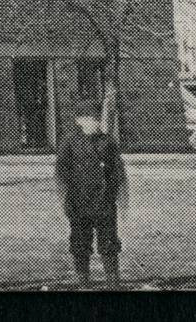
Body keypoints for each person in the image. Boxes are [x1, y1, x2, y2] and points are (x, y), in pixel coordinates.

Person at [54, 99, 128, 284]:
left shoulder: (108, 142)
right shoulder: (69, 142)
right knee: (80, 242)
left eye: (97, 119)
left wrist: (121, 199)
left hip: (104, 201)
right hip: (78, 201)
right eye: (91, 119)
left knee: (109, 242)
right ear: (80, 120)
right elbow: (61, 173)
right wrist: (64, 199)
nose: (96, 123)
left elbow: (118, 172)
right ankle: (83, 279)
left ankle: (112, 278)